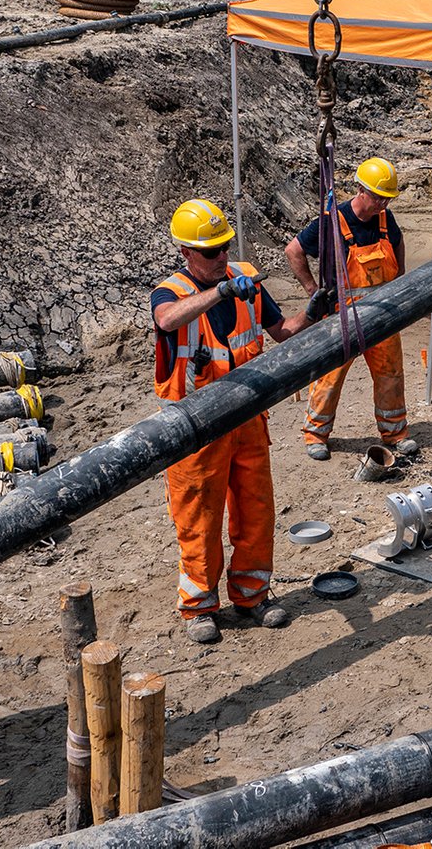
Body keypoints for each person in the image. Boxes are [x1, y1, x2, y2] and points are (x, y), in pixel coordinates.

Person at [154, 198, 311, 644]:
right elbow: (166, 319)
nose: (223, 256)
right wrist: (220, 293)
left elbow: (281, 331)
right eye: (211, 251)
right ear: (186, 252)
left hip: (246, 421)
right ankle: (200, 607)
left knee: (256, 510)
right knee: (199, 520)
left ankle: (252, 595)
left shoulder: (245, 279)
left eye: (225, 246)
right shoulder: (171, 293)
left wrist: (314, 311)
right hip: (194, 432)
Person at [284, 157, 417, 463]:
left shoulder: (386, 220)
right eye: (377, 198)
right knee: (329, 377)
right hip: (342, 316)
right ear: (360, 190)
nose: (382, 205)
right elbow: (293, 250)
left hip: (382, 314)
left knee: (391, 374)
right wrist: (310, 289)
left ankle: (395, 432)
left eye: (387, 199)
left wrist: (400, 281)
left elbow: (397, 245)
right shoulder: (332, 222)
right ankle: (315, 434)